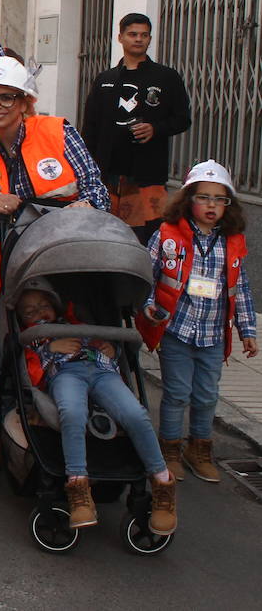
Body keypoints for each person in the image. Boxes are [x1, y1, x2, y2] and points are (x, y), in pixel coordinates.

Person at [0, 56, 110, 439]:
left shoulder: (58, 132)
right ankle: (1, 419)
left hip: (65, 261)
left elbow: (97, 191)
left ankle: (76, 411)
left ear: (25, 102)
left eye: (7, 98)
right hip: (6, 268)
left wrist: (82, 206)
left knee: (67, 334)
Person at [17, 280, 177, 533]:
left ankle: (162, 483)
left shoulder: (77, 324)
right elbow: (30, 370)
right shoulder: (33, 338)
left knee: (137, 415)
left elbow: (103, 340)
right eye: (29, 311)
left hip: (103, 371)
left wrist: (110, 348)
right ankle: (78, 487)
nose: (38, 312)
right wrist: (50, 347)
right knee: (71, 413)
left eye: (44, 305)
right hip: (65, 373)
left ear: (56, 306)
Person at [139, 160, 257, 483]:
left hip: (212, 336)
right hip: (176, 331)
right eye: (204, 197)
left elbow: (240, 288)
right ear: (188, 199)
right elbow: (146, 275)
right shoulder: (167, 235)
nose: (212, 205)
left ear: (228, 206)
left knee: (207, 395)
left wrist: (247, 330)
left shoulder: (231, 242)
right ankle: (170, 449)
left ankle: (200, 448)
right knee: (177, 393)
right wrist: (148, 305)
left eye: (220, 199)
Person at [81, 13, 191, 243]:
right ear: (120, 38)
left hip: (147, 176)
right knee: (104, 236)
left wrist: (156, 128)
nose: (138, 39)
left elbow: (183, 119)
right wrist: (87, 171)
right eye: (132, 34)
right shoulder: (105, 80)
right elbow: (90, 128)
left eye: (144, 35)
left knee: (147, 239)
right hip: (107, 176)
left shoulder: (166, 77)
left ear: (150, 39)